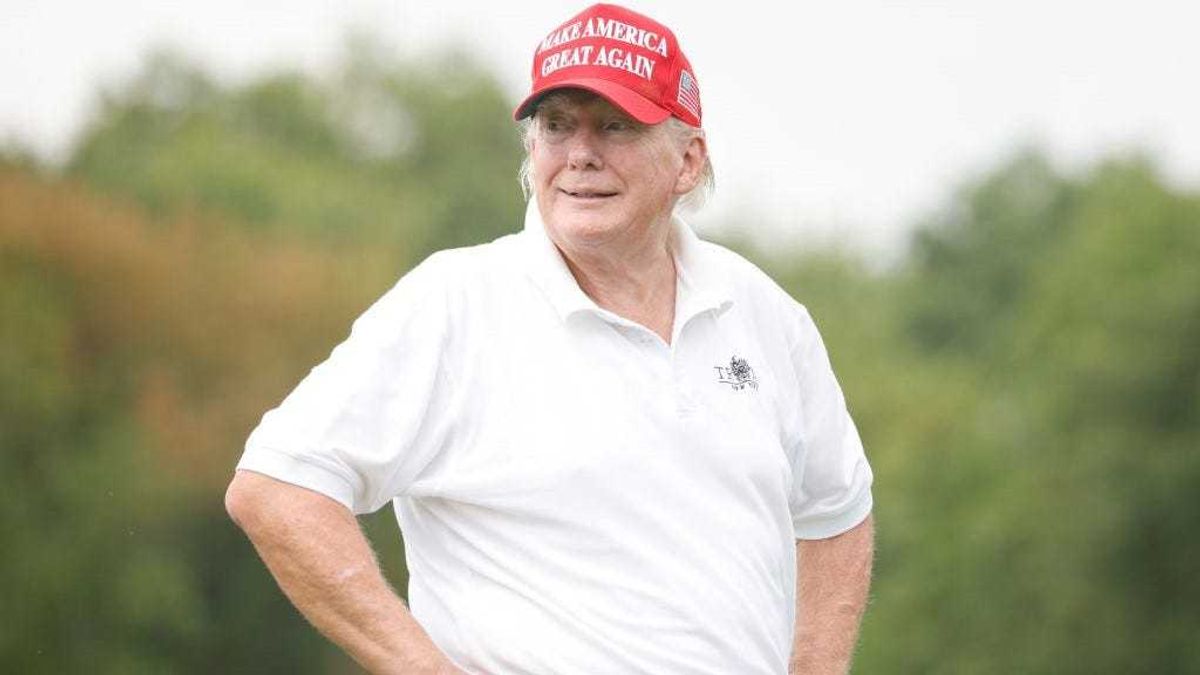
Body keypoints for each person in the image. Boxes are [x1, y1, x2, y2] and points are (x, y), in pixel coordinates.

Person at [225, 3, 875, 674]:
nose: (581, 154)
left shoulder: (764, 313)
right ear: (533, 148)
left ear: (689, 159)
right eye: (557, 125)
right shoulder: (456, 304)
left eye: (616, 126)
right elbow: (277, 487)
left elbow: (838, 508)